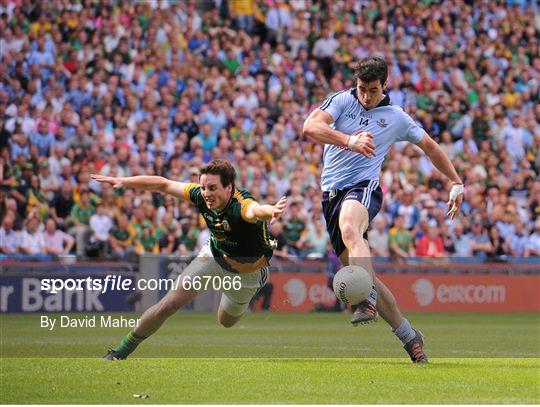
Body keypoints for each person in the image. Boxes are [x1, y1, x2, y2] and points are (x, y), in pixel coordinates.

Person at [303, 56, 464, 363]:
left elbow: (429, 146)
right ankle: (409, 337)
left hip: (364, 188)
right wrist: (349, 140)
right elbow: (310, 126)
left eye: (373, 90)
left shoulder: (396, 116)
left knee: (351, 227)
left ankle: (365, 299)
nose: (366, 95)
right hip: (330, 196)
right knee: (368, 274)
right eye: (362, 88)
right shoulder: (340, 102)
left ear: (385, 85)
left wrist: (456, 181)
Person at [92, 159, 287, 360]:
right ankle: (120, 352)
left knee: (226, 321)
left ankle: (245, 285)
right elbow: (164, 184)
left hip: (247, 273)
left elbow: (255, 210)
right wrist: (124, 181)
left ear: (229, 188)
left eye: (212, 188)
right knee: (169, 303)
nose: (206, 194)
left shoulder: (242, 205)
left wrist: (270, 210)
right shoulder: (200, 195)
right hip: (213, 256)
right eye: (203, 187)